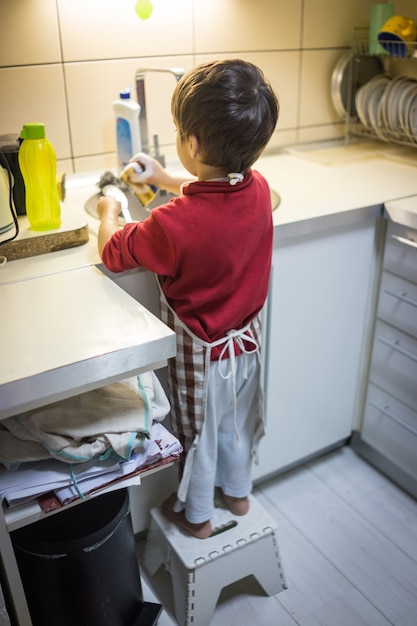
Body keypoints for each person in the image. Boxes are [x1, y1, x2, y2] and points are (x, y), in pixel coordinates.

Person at [96, 58, 279, 539]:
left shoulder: (173, 224)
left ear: (191, 144)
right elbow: (213, 191)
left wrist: (110, 208)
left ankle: (195, 517)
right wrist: (164, 178)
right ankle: (238, 494)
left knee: (197, 437)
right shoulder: (257, 188)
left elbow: (114, 252)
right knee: (234, 424)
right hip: (246, 347)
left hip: (201, 356)